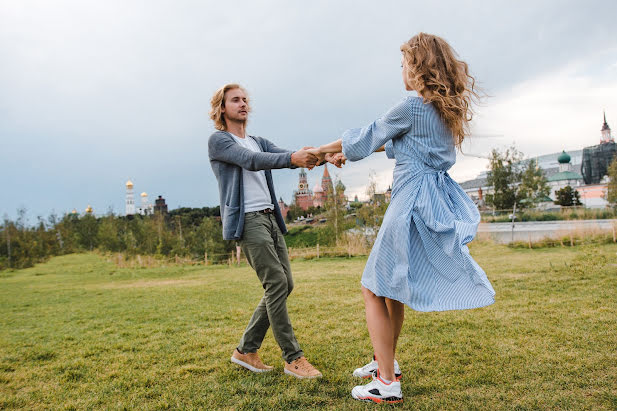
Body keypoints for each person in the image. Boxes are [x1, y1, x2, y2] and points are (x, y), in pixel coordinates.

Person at [311, 33, 496, 403]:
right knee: (392, 288)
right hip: (429, 200)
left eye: (403, 64)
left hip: (409, 201)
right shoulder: (442, 111)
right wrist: (341, 151)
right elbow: (387, 140)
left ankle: (386, 381)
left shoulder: (411, 108)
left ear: (417, 67)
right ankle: (387, 362)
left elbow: (367, 137)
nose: (401, 70)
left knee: (373, 287)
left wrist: (318, 151)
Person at [208, 83, 327, 379]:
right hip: (248, 221)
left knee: (284, 284)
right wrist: (292, 159)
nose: (243, 103)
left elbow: (288, 154)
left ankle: (246, 350)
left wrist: (323, 156)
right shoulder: (219, 141)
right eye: (235, 100)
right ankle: (293, 357)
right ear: (222, 108)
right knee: (275, 282)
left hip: (270, 218)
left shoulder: (257, 140)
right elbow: (253, 161)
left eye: (245, 99)